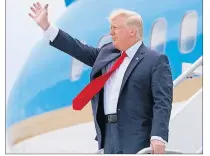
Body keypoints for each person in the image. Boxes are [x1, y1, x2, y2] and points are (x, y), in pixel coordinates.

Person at [29, 2, 173, 154]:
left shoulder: (154, 60)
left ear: (132, 31)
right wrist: (47, 26)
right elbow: (77, 48)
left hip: (136, 136)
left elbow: (162, 101)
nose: (111, 33)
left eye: (115, 28)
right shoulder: (107, 54)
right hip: (108, 135)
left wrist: (158, 136)